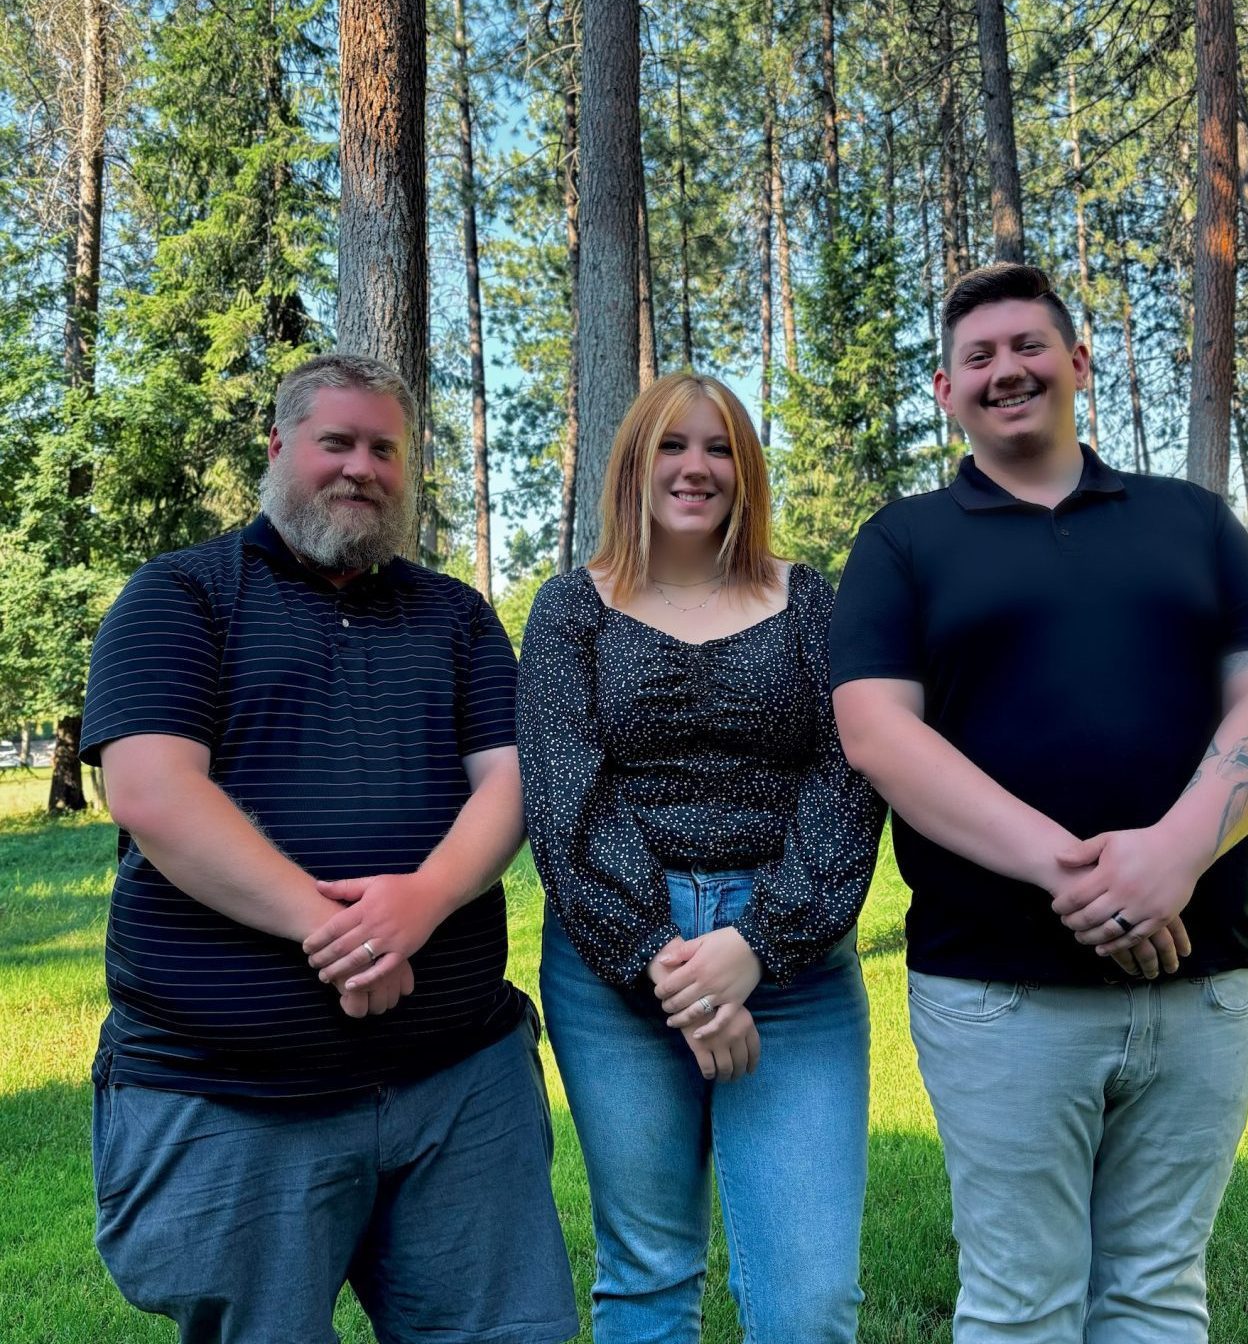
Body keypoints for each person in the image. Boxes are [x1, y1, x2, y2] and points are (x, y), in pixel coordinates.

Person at [829, 263, 1248, 1344]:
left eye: (1028, 346)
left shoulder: (1191, 520)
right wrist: (1077, 872)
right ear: (945, 393)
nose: (1007, 370)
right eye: (977, 357)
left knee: (1157, 1290)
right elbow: (876, 731)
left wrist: (1173, 856)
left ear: (1078, 364)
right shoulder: (902, 542)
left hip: (1203, 983)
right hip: (1000, 998)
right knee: (1020, 1303)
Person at [81, 354, 577, 1344]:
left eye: (384, 448)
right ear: (278, 449)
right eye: (336, 443)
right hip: (232, 1094)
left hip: (458, 1085)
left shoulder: (457, 616)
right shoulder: (182, 596)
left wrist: (421, 903)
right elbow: (153, 791)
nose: (362, 468)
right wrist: (336, 931)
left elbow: (513, 781)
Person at [517, 372, 884, 1344]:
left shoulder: (810, 601)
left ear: (746, 467)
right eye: (671, 445)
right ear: (633, 462)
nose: (695, 466)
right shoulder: (570, 610)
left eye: (718, 446)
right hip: (612, 972)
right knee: (645, 1276)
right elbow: (563, 794)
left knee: (808, 1304)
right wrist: (658, 955)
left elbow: (851, 771)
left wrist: (757, 940)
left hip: (793, 971)